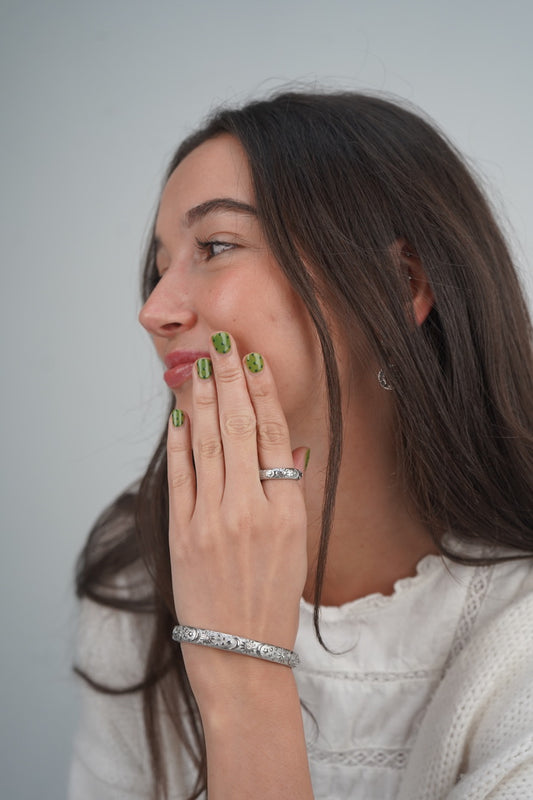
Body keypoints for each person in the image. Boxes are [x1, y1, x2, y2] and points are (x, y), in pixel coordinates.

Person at [69, 90, 533, 800]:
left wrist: (241, 676)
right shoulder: (139, 569)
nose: (154, 310)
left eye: (214, 247)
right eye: (160, 266)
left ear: (398, 284)